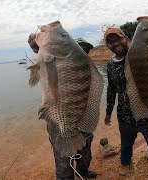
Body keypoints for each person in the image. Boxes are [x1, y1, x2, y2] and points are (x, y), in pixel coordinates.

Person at [103, 27, 148, 179]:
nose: (115, 43)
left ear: (126, 38)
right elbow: (111, 89)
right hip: (124, 118)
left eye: (118, 39)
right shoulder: (110, 65)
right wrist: (108, 112)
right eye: (111, 42)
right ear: (107, 46)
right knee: (126, 146)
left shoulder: (141, 55)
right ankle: (125, 162)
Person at [28, 34, 97, 179]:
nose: (83, 53)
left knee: (85, 156)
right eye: (79, 49)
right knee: (64, 165)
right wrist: (37, 46)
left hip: (83, 122)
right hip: (59, 124)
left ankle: (84, 173)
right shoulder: (57, 64)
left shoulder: (89, 68)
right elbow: (47, 57)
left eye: (85, 50)